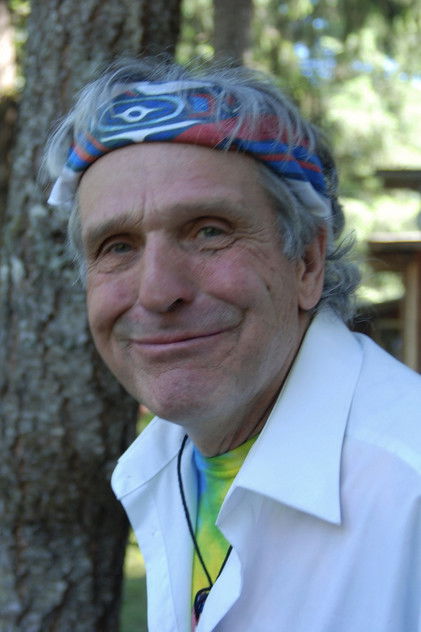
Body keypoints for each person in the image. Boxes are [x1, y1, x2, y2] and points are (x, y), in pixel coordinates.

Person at [45, 58, 421, 632]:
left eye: (208, 231)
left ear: (308, 262)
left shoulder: (408, 485)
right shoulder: (171, 461)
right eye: (117, 246)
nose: (157, 292)